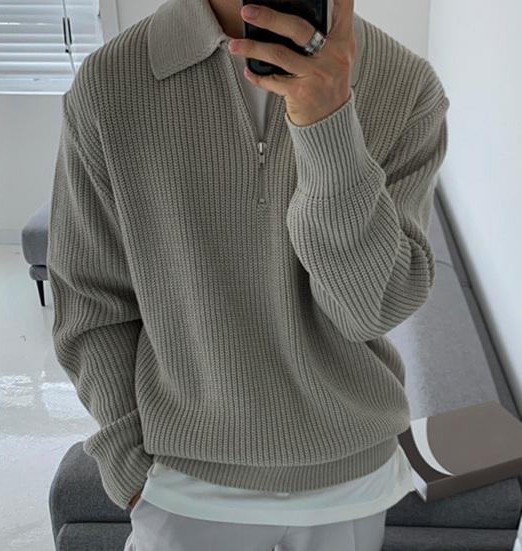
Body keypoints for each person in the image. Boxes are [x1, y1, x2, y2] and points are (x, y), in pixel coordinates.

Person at [47, 0, 450, 549]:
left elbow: (370, 310)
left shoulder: (405, 84)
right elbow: (90, 301)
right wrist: (128, 464)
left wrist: (329, 126)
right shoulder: (112, 81)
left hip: (351, 478)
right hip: (181, 484)